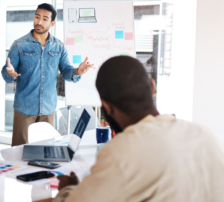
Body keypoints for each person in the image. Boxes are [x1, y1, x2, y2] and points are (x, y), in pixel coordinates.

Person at [54, 56, 224, 202]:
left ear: (106, 105)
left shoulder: (121, 151)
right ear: (152, 86)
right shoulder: (206, 135)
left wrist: (66, 189)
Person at [1, 3, 93, 146]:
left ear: (52, 23)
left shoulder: (59, 46)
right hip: (24, 108)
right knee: (20, 151)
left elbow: (66, 71)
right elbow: (7, 73)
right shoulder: (19, 45)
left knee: (46, 151)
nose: (39, 22)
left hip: (48, 109)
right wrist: (10, 73)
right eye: (37, 17)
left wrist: (77, 71)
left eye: (45, 19)